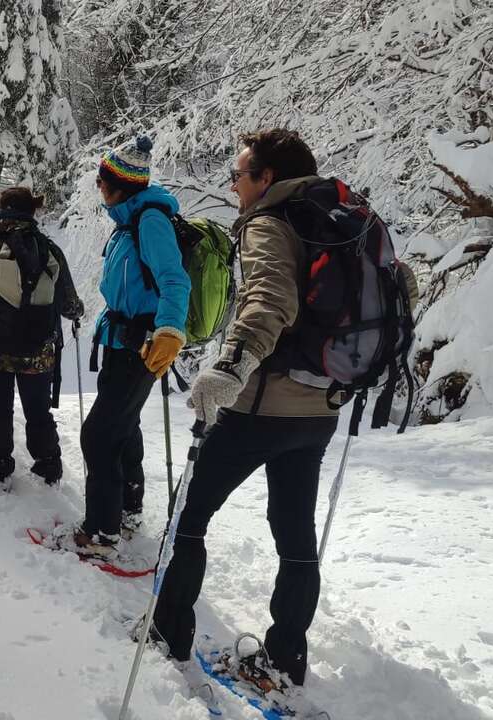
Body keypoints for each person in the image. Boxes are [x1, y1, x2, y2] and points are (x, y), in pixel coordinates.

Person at [148, 128, 339, 691]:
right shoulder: (343, 220)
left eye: (238, 176)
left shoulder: (270, 222)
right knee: (296, 534)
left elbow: (270, 299)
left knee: (189, 515)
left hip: (262, 404)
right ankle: (282, 664)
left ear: (266, 178)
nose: (233, 186)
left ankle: (167, 634)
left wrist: (232, 366)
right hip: (322, 409)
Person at [69, 136, 190, 556]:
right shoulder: (128, 221)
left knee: (99, 436)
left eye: (103, 181)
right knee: (123, 427)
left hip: (143, 344)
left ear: (121, 186)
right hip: (122, 342)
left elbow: (174, 279)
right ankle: (127, 509)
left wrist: (170, 331)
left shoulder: (150, 221)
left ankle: (101, 534)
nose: (99, 187)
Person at [0, 187, 84, 485]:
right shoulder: (49, 249)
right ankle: (48, 466)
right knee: (38, 410)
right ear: (32, 211)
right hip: (38, 350)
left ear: (1, 209)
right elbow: (70, 305)